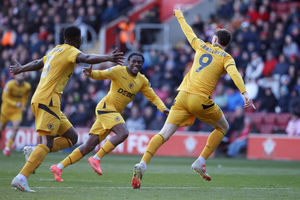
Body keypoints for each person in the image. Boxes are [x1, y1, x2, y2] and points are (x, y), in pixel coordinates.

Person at [131, 9, 255, 189]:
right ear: (226, 44)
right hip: (199, 99)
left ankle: (142, 163)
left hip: (181, 96)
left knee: (164, 133)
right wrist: (244, 93)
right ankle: (200, 161)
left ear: (214, 39)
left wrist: (179, 14)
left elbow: (188, 30)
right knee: (223, 127)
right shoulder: (227, 58)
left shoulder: (201, 45)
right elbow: (234, 74)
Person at [9, 26, 124, 192]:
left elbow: (37, 63)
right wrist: (108, 57)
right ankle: (21, 177)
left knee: (72, 137)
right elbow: (87, 57)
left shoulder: (56, 50)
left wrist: (21, 68)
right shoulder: (71, 51)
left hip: (44, 99)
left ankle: (33, 151)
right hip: (48, 100)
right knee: (47, 143)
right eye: (81, 38)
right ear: (77, 39)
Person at [50, 52, 169, 182]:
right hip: (106, 108)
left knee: (88, 145)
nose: (136, 64)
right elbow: (103, 74)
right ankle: (96, 158)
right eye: (133, 61)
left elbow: (153, 96)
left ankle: (58, 167)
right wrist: (92, 74)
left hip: (113, 113)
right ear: (128, 62)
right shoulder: (119, 70)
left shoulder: (142, 80)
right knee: (123, 133)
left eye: (139, 62)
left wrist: (163, 108)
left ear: (142, 64)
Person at [1, 74, 31, 156]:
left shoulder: (27, 86)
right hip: (5, 111)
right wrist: (15, 103)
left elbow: (26, 97)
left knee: (16, 127)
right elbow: (4, 97)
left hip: (16, 112)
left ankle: (7, 148)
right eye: (19, 75)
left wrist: (23, 105)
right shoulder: (10, 84)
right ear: (15, 76)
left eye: (22, 74)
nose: (20, 76)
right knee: (1, 129)